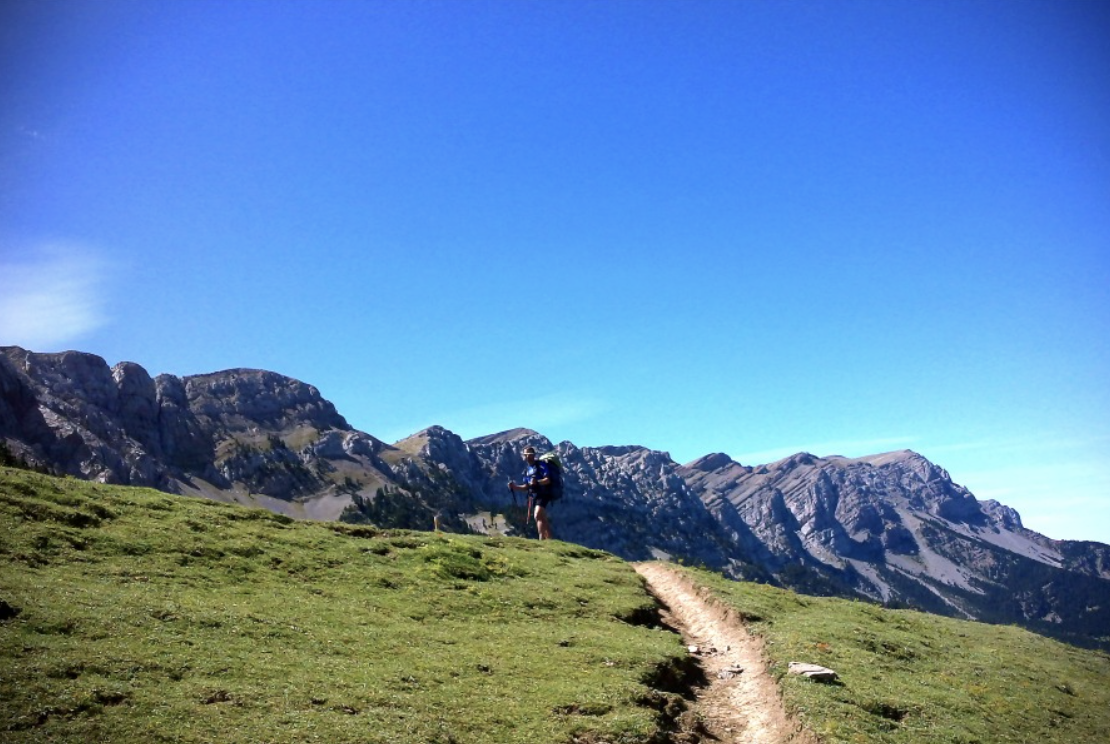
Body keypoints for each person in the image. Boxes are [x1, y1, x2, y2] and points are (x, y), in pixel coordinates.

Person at [508, 446, 554, 540]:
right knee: (541, 517)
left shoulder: (540, 465)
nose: (527, 457)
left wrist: (537, 482)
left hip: (544, 492)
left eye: (529, 454)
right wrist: (515, 487)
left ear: (533, 455)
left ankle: (541, 539)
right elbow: (526, 486)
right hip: (535, 495)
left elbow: (548, 480)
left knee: (537, 514)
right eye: (525, 455)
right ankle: (550, 540)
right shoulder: (527, 470)